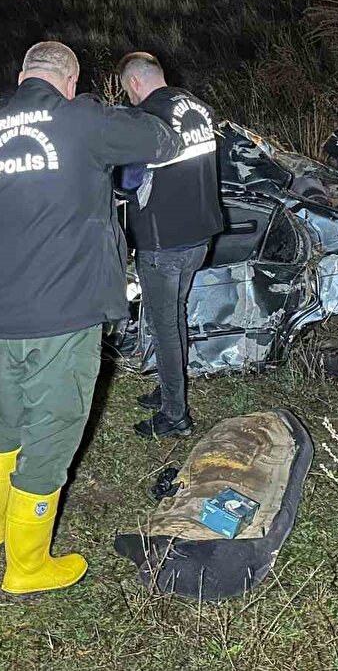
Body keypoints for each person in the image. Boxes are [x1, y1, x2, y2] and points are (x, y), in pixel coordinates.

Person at [0, 42, 180, 596]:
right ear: (71, 81)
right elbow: (161, 140)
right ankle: (27, 566)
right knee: (52, 430)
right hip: (62, 308)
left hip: (0, 306)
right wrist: (114, 110)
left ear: (21, 77)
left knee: (5, 416)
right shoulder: (82, 119)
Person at [116, 53, 223, 439]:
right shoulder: (197, 107)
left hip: (164, 241)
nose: (129, 97)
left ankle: (175, 415)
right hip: (200, 234)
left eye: (127, 90)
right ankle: (169, 388)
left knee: (164, 326)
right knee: (174, 316)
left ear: (135, 83)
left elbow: (128, 181)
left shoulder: (148, 118)